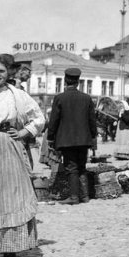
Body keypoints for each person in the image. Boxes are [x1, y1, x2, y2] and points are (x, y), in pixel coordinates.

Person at [0, 53, 44, 257]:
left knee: (11, 196)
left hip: (9, 147)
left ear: (8, 73)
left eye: (1, 71)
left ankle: (10, 251)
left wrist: (24, 132)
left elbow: (39, 117)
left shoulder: (17, 95)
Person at [47, 67, 97, 205]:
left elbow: (54, 120)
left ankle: (74, 197)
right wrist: (93, 136)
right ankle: (85, 196)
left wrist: (50, 137)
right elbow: (92, 120)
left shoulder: (59, 98)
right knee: (82, 166)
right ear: (78, 81)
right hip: (84, 139)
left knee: (71, 168)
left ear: (65, 80)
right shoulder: (87, 98)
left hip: (66, 140)